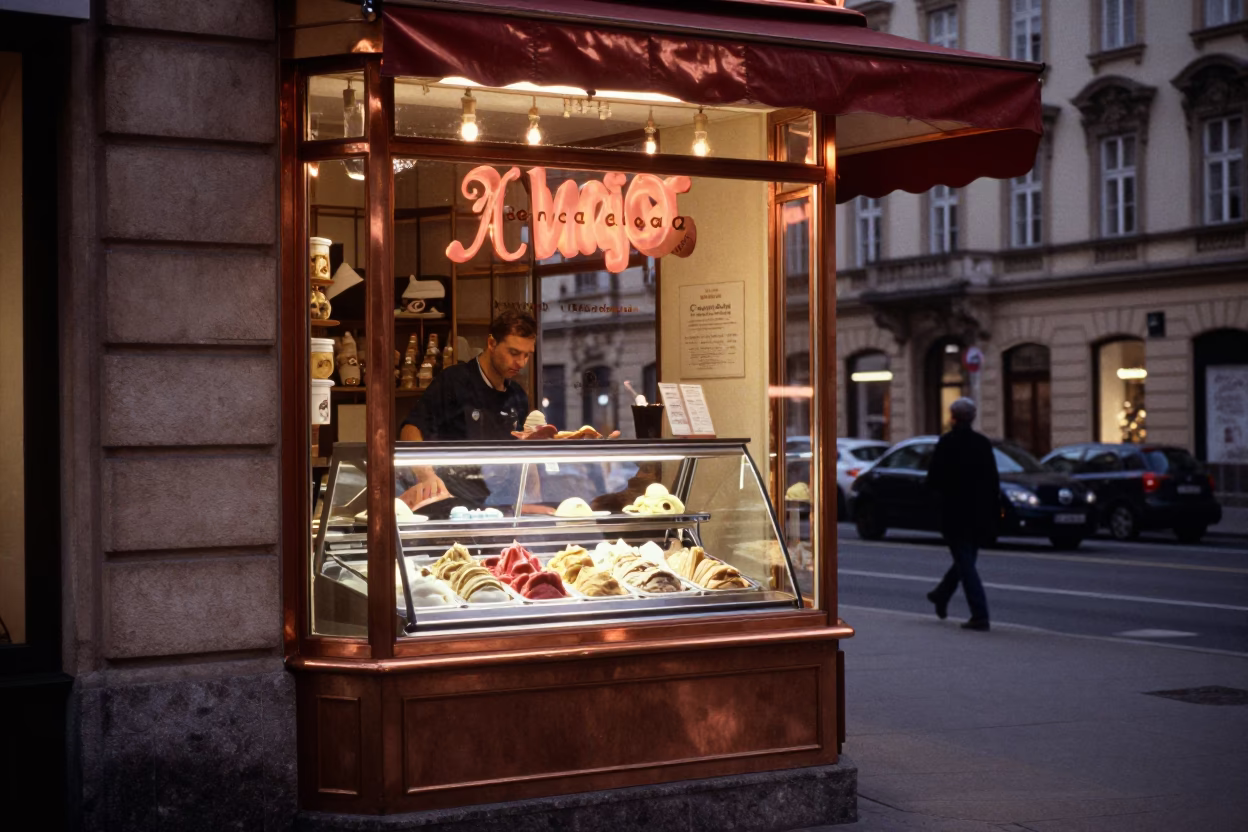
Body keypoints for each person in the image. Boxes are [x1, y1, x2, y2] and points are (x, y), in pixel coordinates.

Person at [397, 310, 554, 511]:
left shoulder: (517, 395)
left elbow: (525, 456)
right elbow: (411, 429)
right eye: (514, 353)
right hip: (454, 505)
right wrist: (426, 476)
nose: (521, 363)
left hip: (502, 506)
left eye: (527, 355)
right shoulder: (454, 381)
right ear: (492, 343)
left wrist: (533, 500)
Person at [924, 397, 999, 631]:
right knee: (966, 560)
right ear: (973, 418)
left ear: (953, 417)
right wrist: (993, 513)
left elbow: (934, 479)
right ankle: (941, 594)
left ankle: (980, 614)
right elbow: (992, 481)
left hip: (954, 513)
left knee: (965, 563)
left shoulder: (947, 442)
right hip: (978, 514)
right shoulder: (982, 443)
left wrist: (935, 507)